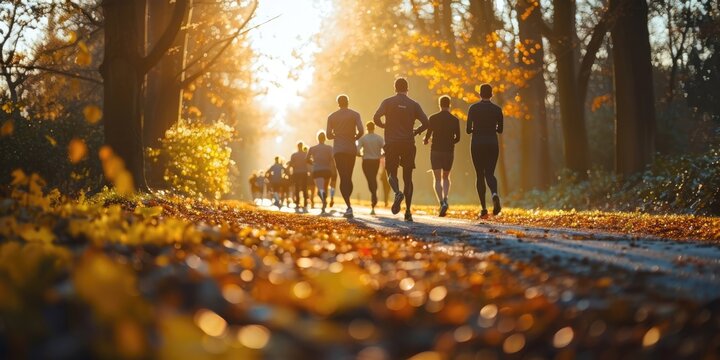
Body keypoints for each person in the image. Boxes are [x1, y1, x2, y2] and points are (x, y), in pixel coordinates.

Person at [373, 77, 429, 222]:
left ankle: (397, 193)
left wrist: (385, 126)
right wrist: (416, 131)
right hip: (408, 143)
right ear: (407, 89)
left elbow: (376, 118)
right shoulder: (414, 104)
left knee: (391, 172)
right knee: (408, 177)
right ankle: (408, 212)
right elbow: (426, 122)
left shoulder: (387, 102)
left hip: (392, 143)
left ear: (395, 88)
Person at [467, 83, 503, 218]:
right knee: (490, 173)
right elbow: (500, 130)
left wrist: (476, 129)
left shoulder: (473, 108)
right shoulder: (497, 110)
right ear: (492, 94)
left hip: (477, 144)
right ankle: (494, 194)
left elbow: (467, 129)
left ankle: (483, 209)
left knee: (479, 175)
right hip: (492, 144)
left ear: (480, 94)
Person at [326, 94, 364, 218]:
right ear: (348, 102)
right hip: (350, 149)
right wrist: (354, 137)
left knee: (343, 177)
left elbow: (328, 135)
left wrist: (337, 135)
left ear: (338, 103)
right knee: (348, 176)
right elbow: (361, 131)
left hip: (338, 150)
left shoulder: (331, 116)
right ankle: (348, 205)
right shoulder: (355, 114)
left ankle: (348, 205)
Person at [423, 95, 461, 217]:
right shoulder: (455, 120)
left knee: (437, 179)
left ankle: (441, 202)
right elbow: (458, 138)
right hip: (449, 151)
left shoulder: (433, 118)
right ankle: (446, 198)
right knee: (446, 177)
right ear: (449, 105)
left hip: (435, 151)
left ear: (439, 104)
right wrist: (450, 142)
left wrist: (426, 140)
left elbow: (428, 135)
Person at [357, 121, 385, 215]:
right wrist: (381, 155)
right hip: (375, 161)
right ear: (374, 128)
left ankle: (374, 195)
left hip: (366, 161)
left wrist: (360, 154)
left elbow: (357, 150)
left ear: (366, 128)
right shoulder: (379, 138)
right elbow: (385, 149)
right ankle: (374, 195)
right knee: (373, 178)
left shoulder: (363, 138)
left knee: (370, 179)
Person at [306, 131, 335, 214]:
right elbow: (332, 159)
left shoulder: (312, 148)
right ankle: (324, 204)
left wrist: (313, 162)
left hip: (317, 170)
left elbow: (307, 159)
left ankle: (324, 202)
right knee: (325, 188)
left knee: (320, 189)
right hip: (327, 170)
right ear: (325, 138)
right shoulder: (330, 148)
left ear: (317, 138)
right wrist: (333, 171)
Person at [288, 142, 310, 212]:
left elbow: (291, 164)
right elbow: (310, 162)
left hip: (296, 173)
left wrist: (293, 164)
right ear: (302, 146)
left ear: (297, 146)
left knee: (297, 188)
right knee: (304, 188)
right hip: (304, 172)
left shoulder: (294, 155)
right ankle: (305, 204)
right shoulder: (306, 154)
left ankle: (297, 203)